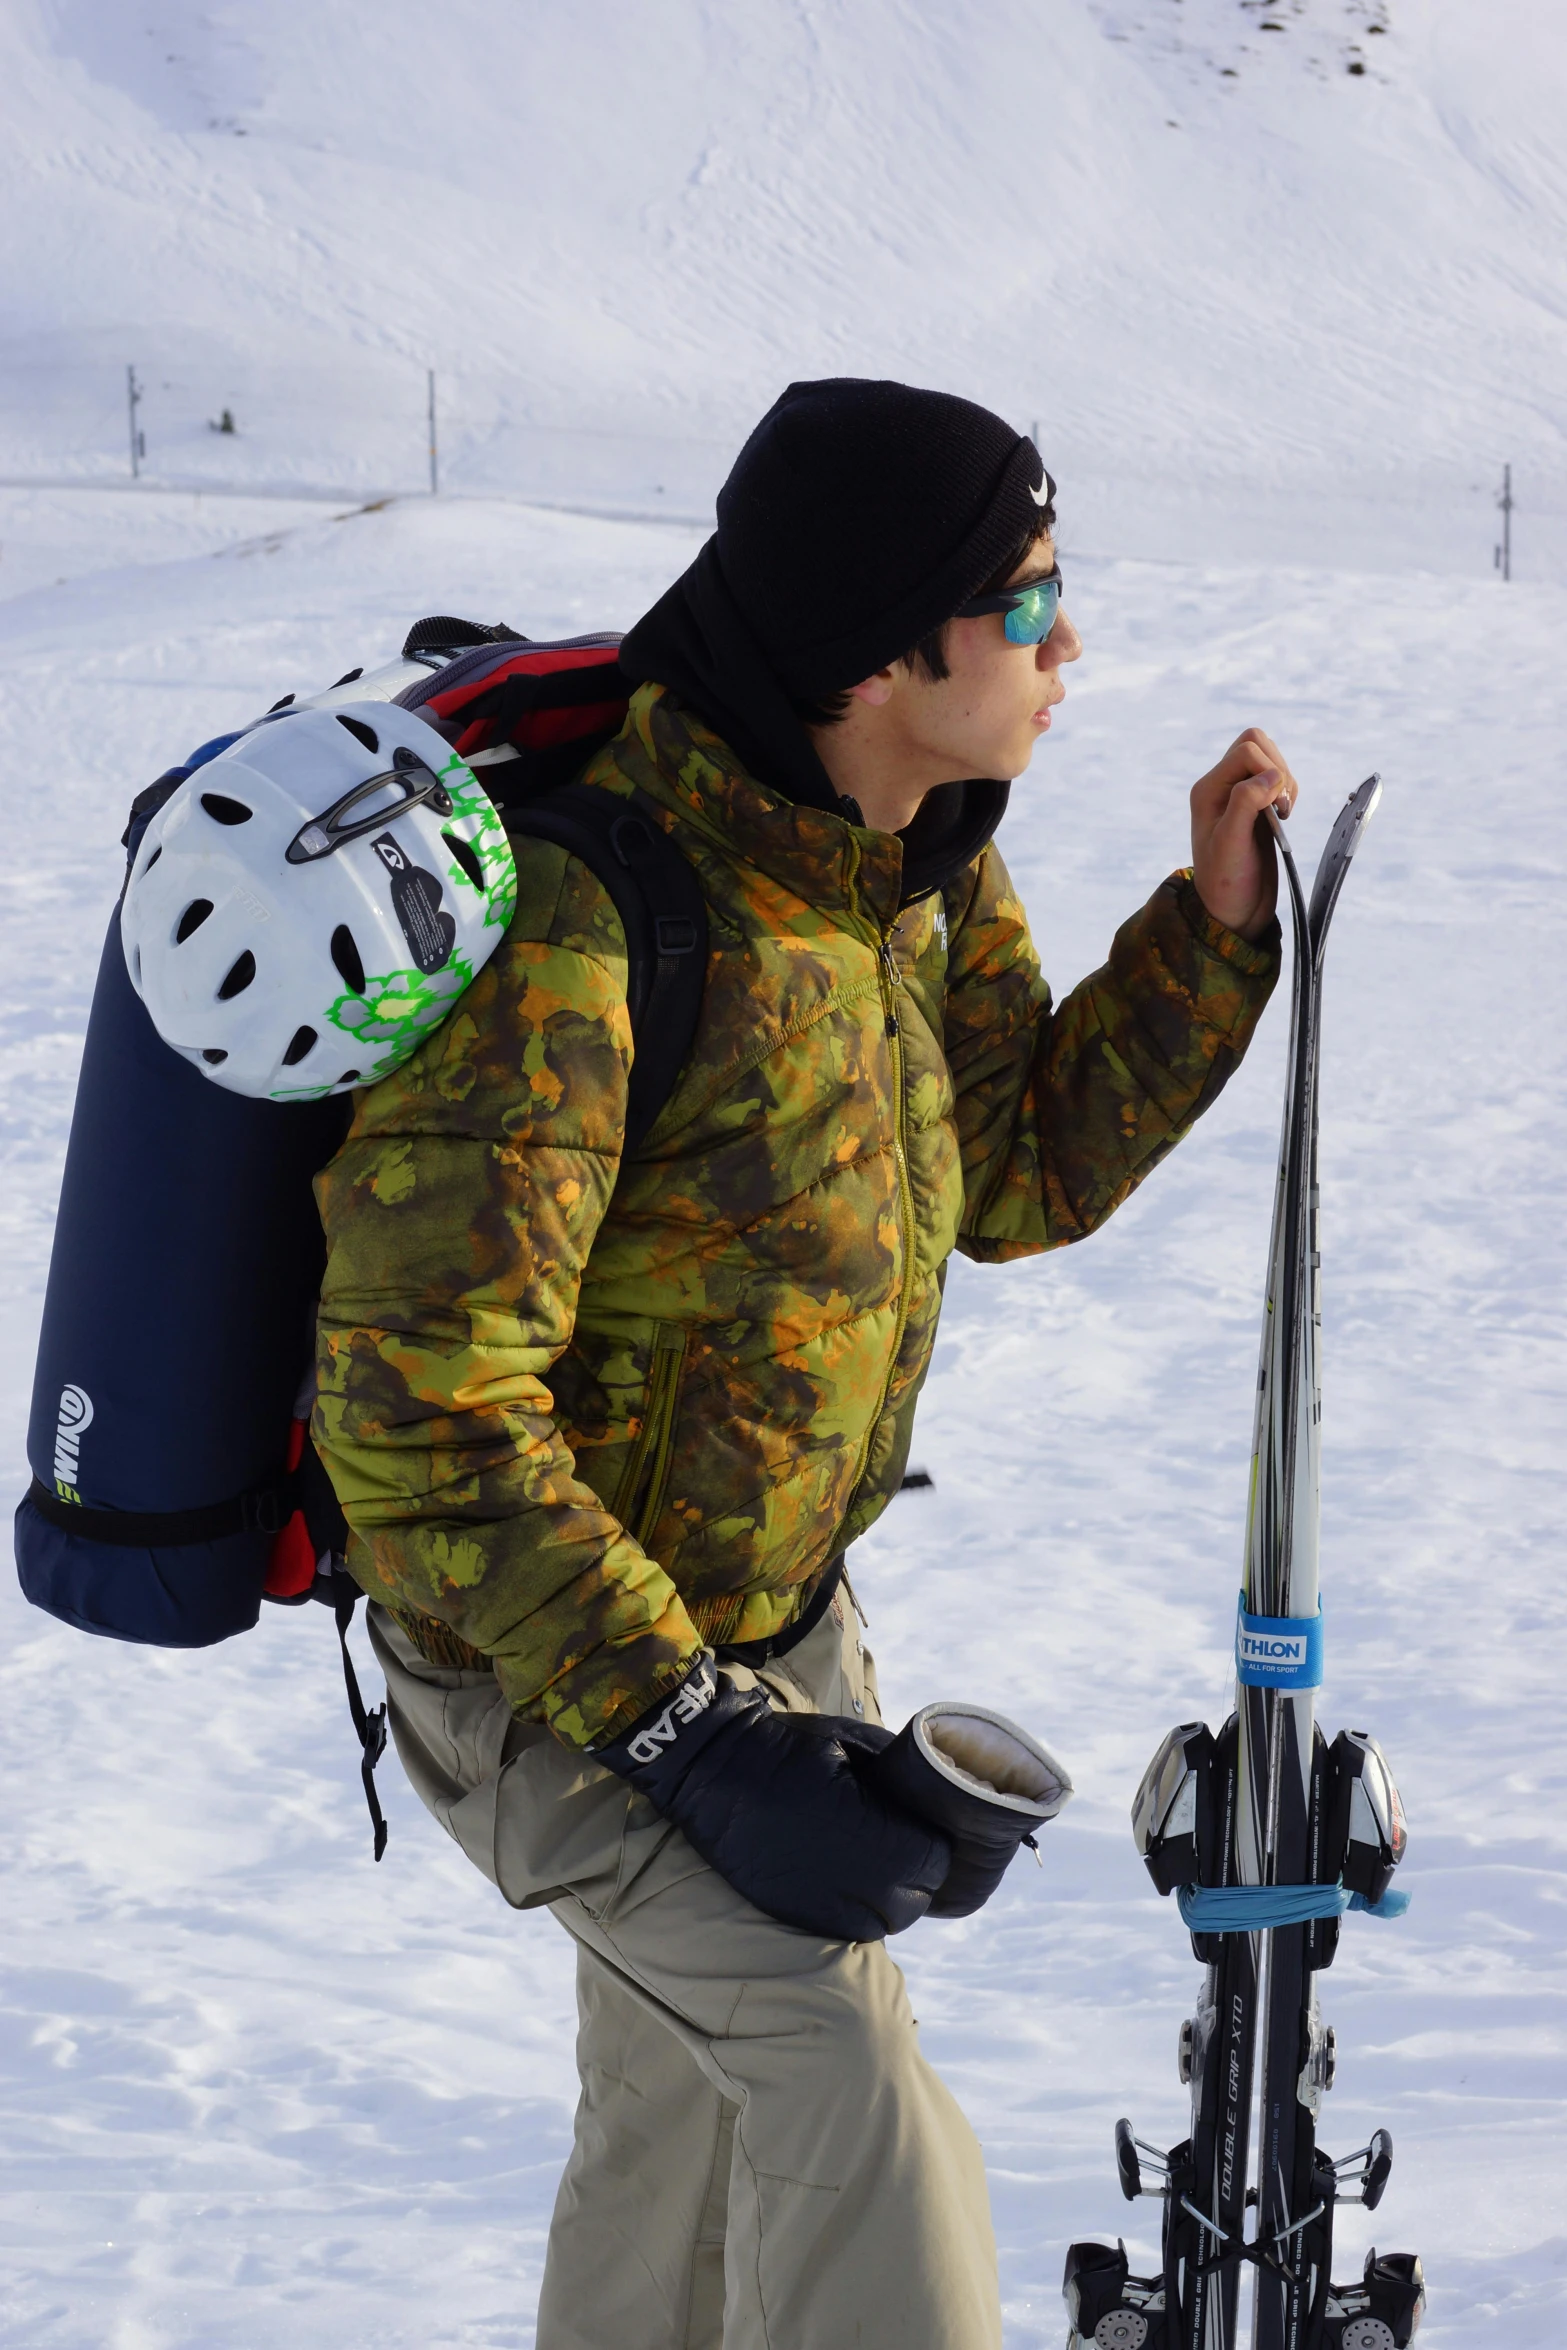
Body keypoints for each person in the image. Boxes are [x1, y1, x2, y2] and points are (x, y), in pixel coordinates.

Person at [311, 378, 1294, 2349]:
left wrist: (1205, 934)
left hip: (759, 1623)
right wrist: (689, 1732)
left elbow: (1008, 1164)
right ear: (882, 643)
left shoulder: (908, 863)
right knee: (852, 2099)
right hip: (540, 1667)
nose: (1067, 644)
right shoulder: (582, 930)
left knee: (684, 2111)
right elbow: (419, 1410)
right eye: (1028, 602)